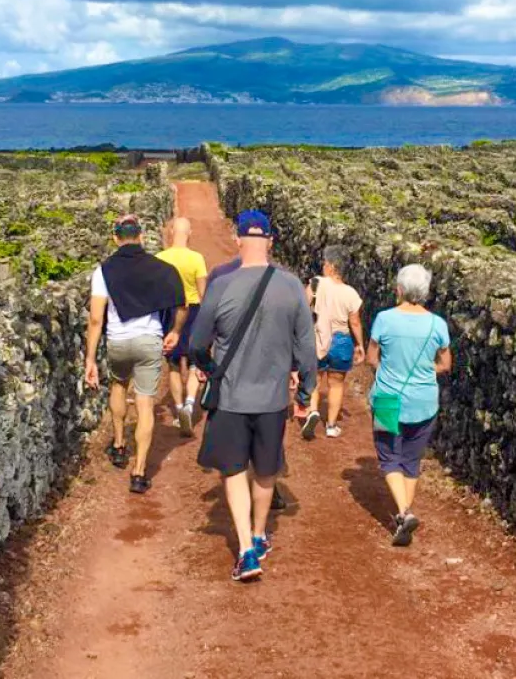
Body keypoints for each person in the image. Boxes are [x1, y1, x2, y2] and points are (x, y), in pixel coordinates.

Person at [190, 210, 317, 581]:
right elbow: (306, 349)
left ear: (238, 239)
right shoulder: (292, 286)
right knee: (266, 468)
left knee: (233, 470)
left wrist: (206, 366)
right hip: (274, 397)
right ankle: (261, 534)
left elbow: (198, 342)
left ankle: (246, 550)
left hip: (230, 397)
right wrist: (305, 393)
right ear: (271, 242)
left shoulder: (220, 286)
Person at [84, 215, 187, 494]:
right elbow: (181, 304)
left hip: (118, 339)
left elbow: (96, 319)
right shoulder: (161, 268)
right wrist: (175, 332)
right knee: (145, 403)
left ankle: (119, 444)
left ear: (116, 238)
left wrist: (90, 359)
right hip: (148, 340)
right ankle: (139, 471)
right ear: (141, 236)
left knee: (118, 385)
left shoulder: (103, 271)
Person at [366, 264, 451, 546]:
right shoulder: (437, 324)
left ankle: (403, 513)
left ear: (399, 290)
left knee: (389, 456)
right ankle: (404, 516)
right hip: (424, 400)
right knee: (411, 460)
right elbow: (445, 364)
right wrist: (423, 373)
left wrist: (389, 371)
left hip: (389, 397)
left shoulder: (384, 319)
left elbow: (371, 357)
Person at [301, 245, 365, 440]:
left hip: (319, 337)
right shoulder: (351, 293)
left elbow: (303, 310)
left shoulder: (315, 283)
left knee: (316, 379)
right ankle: (331, 426)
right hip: (341, 340)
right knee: (336, 384)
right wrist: (359, 344)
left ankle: (312, 411)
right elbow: (354, 322)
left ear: (330, 266)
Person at [156, 217, 208, 436]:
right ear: (190, 234)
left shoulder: (160, 258)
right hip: (194, 310)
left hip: (169, 311)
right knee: (196, 362)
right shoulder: (197, 258)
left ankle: (178, 411)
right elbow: (203, 293)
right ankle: (189, 403)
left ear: (170, 232)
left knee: (174, 364)